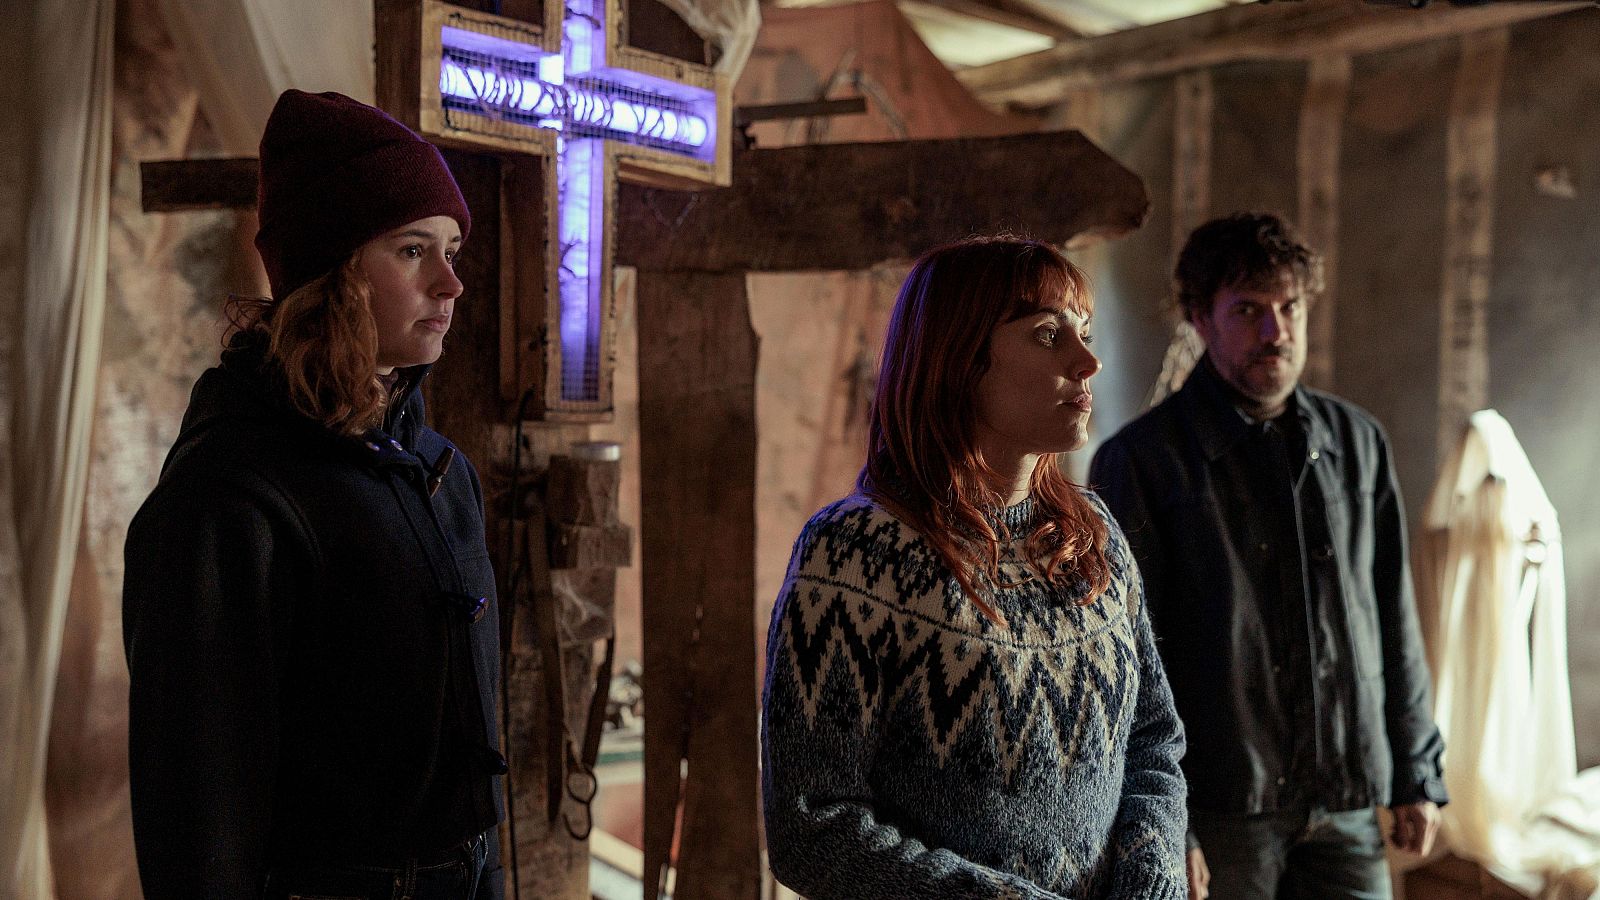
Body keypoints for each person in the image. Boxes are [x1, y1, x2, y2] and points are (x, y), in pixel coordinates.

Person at [123, 90, 504, 898]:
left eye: (452, 249)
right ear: (335, 271)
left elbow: (475, 792)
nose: (450, 284)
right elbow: (198, 814)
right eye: (411, 250)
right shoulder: (230, 495)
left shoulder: (441, 474)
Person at [761, 236, 1189, 899]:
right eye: (1049, 336)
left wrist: (1149, 876)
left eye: (1084, 333)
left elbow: (1155, 739)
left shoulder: (1091, 534)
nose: (1089, 362)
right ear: (958, 361)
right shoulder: (853, 555)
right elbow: (812, 825)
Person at [1090, 212, 1447, 900]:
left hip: (1345, 796)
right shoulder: (1141, 462)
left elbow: (1393, 619)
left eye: (1290, 308)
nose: (1276, 332)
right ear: (1199, 318)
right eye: (1248, 310)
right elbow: (1122, 664)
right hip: (1222, 808)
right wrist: (1164, 823)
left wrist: (1416, 771)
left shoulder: (1357, 444)